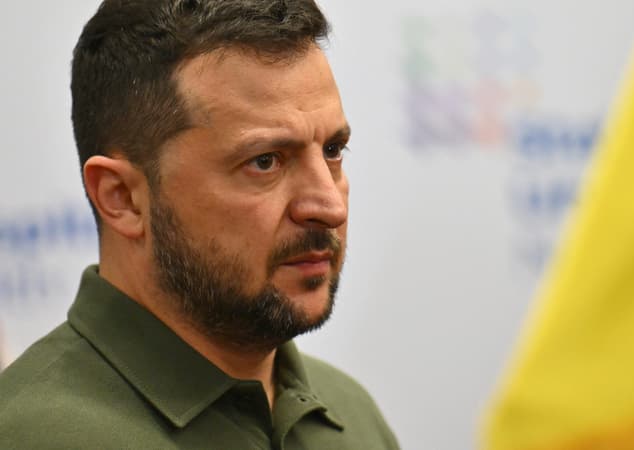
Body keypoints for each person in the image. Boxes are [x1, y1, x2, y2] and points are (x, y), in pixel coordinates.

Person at [0, 1, 399, 448]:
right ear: (122, 198)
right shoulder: (31, 436)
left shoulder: (350, 415)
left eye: (332, 151)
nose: (330, 206)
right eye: (265, 161)